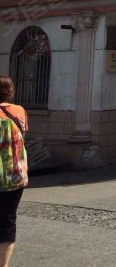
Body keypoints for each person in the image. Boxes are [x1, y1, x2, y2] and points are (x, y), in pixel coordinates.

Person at [0, 76, 28, 267]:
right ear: (10, 92)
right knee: (8, 219)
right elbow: (21, 137)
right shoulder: (20, 111)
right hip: (15, 175)